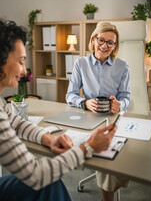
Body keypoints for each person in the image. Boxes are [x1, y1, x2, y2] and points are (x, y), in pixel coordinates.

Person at [0, 19, 117, 201]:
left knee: (52, 184)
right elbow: (35, 174)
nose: (24, 71)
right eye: (21, 61)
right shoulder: (81, 63)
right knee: (47, 180)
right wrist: (87, 148)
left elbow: (16, 123)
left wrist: (47, 138)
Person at [66, 22, 131, 201]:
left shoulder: (123, 66)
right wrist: (85, 103)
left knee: (131, 158)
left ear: (115, 45)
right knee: (106, 156)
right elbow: (70, 95)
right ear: (94, 39)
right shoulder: (80, 64)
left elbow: (127, 97)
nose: (105, 45)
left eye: (111, 42)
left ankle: (108, 185)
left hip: (115, 118)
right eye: (101, 40)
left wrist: (121, 104)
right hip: (90, 118)